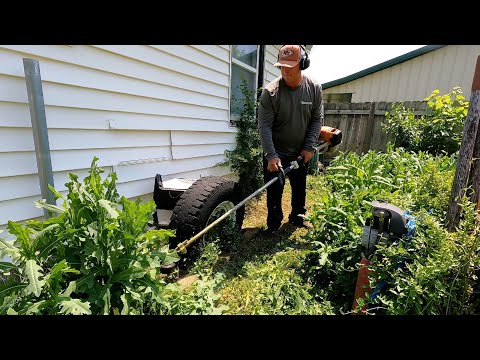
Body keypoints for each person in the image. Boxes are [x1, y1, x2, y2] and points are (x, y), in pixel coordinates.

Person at [257, 45, 324, 232]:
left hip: (300, 152)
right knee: (274, 191)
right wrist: (271, 155)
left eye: (289, 66)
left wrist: (309, 146)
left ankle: (297, 217)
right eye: (281, 66)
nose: (284, 70)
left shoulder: (314, 89)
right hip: (275, 153)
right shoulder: (270, 92)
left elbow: (317, 119)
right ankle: (273, 224)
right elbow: (264, 126)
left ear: (303, 64)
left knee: (299, 188)